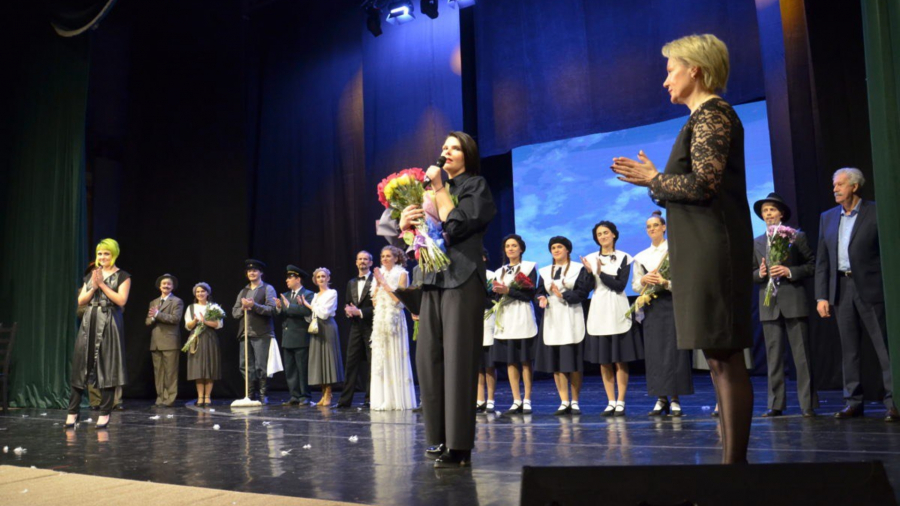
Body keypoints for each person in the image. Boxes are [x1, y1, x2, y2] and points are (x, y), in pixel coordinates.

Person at [611, 34, 755, 463]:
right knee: (717, 356)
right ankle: (731, 463)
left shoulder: (714, 114)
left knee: (724, 354)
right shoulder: (699, 118)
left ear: (695, 69)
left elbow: (704, 183)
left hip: (713, 248)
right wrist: (657, 180)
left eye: (670, 70)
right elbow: (689, 186)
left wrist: (654, 179)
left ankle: (736, 467)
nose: (665, 80)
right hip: (698, 248)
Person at [399, 131, 496, 468]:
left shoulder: (476, 186)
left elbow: (456, 226)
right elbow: (420, 239)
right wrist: (405, 226)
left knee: (458, 360)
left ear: (468, 154)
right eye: (444, 147)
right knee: (429, 359)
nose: (447, 152)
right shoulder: (430, 191)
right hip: (432, 280)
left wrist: (439, 187)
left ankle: (459, 445)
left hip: (462, 278)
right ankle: (438, 436)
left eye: (455, 147)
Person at [815, 168, 897, 422]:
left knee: (883, 347)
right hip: (841, 288)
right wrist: (821, 296)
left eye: (840, 184)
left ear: (854, 186)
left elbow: (886, 251)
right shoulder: (828, 217)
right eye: (834, 185)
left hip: (871, 288)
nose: (835, 189)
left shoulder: (875, 212)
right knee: (849, 349)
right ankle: (853, 402)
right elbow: (822, 261)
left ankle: (893, 402)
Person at [752, 193, 817, 417]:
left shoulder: (796, 237)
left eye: (772, 209)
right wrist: (760, 274)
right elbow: (751, 272)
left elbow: (812, 265)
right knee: (774, 357)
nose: (768, 213)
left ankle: (807, 404)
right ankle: (776, 404)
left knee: (802, 356)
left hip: (794, 301)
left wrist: (789, 271)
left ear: (781, 213)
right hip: (769, 305)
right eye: (765, 211)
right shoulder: (757, 242)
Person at [633, 211, 693, 416]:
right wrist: (643, 281)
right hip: (652, 307)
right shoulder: (641, 256)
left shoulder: (674, 250)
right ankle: (660, 398)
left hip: (672, 304)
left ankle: (675, 398)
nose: (652, 229)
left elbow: (684, 280)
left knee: (674, 351)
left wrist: (664, 282)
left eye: (656, 225)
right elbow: (635, 285)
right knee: (655, 352)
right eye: (649, 227)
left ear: (664, 227)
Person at [66, 239, 131, 430]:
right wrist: (94, 286)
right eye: (100, 253)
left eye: (106, 253)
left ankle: (105, 413)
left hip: (109, 320)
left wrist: (102, 284)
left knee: (107, 366)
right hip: (90, 320)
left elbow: (121, 300)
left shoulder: (123, 276)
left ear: (114, 254)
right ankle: (73, 411)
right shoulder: (92, 275)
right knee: (81, 365)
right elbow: (81, 300)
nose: (103, 257)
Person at [582, 221, 642, 416]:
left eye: (606, 233)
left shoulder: (625, 257)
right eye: (599, 234)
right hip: (598, 309)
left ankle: (621, 401)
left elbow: (619, 285)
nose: (603, 236)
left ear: (614, 234)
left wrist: (600, 272)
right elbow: (587, 288)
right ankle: (610, 401)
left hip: (617, 308)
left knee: (620, 359)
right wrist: (589, 273)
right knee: (604, 360)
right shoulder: (590, 258)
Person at [534, 236, 592, 416]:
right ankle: (563, 401)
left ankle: (575, 402)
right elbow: (539, 292)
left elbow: (582, 293)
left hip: (571, 316)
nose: (556, 250)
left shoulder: (578, 269)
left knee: (573, 362)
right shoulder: (545, 271)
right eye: (553, 248)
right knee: (556, 362)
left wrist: (563, 295)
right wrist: (541, 298)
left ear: (567, 249)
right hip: (552, 318)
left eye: (559, 247)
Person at [491, 234, 538, 415]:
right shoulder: (499, 271)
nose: (510, 249)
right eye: (507, 246)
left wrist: (508, 290)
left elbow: (529, 295)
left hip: (522, 315)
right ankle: (516, 399)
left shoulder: (529, 267)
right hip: (506, 318)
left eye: (514, 245)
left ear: (521, 249)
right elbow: (496, 296)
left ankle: (527, 399)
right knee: (511, 361)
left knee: (525, 360)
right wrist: (496, 292)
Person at [370, 246, 417, 410]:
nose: (384, 259)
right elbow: (374, 302)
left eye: (388, 256)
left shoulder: (402, 274)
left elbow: (399, 300)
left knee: (395, 355)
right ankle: (383, 398)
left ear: (396, 258)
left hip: (395, 319)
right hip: (380, 320)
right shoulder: (379, 275)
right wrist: (377, 284)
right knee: (381, 357)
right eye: (382, 256)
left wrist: (383, 283)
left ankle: (397, 400)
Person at [232, 259, 277, 403]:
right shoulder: (243, 291)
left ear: (260, 273)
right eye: (249, 271)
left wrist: (254, 306)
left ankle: (263, 395)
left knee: (261, 365)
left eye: (255, 271)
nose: (252, 273)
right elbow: (234, 312)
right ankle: (250, 394)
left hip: (261, 333)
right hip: (245, 333)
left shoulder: (267, 289)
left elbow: (272, 309)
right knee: (245, 366)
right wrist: (243, 308)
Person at [335, 251, 375, 408]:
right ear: (356, 262)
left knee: (372, 363)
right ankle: (345, 401)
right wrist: (348, 311)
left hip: (372, 326)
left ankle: (370, 399)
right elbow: (348, 303)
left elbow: (379, 306)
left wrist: (360, 312)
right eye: (360, 259)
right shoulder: (351, 282)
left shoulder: (375, 281)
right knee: (351, 363)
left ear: (371, 263)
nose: (362, 261)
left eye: (365, 259)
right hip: (356, 327)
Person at [304, 267, 345, 406]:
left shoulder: (332, 293)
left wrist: (309, 306)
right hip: (316, 328)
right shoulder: (316, 295)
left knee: (328, 359)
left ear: (328, 278)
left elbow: (324, 313)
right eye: (318, 277)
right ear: (315, 280)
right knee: (319, 361)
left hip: (327, 327)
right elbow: (315, 314)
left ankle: (328, 393)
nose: (321, 279)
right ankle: (323, 394)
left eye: (323, 276)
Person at [275, 265, 315, 406]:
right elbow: (281, 314)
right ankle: (294, 395)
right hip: (287, 337)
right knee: (290, 369)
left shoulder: (308, 294)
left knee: (302, 369)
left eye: (290, 278)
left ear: (298, 279)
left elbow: (306, 311)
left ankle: (305, 396)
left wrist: (289, 307)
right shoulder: (285, 295)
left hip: (300, 337)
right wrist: (279, 308)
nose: (287, 280)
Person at [145, 273, 184, 407]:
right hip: (156, 342)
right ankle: (160, 398)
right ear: (159, 286)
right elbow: (148, 321)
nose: (166, 286)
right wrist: (153, 317)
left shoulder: (177, 301)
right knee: (159, 372)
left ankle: (169, 399)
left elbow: (175, 319)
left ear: (172, 287)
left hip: (170, 341)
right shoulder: (154, 302)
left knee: (170, 372)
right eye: (164, 284)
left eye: (169, 284)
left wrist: (158, 314)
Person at [184, 282, 222, 406]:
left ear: (207, 293)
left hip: (209, 338)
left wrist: (205, 321)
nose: (200, 293)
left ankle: (207, 396)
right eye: (198, 291)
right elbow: (188, 326)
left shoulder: (214, 307)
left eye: (202, 291)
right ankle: (200, 396)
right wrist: (195, 320)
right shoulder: (191, 308)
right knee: (198, 368)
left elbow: (218, 324)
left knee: (209, 367)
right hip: (196, 338)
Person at [477, 248, 498, 414]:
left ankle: (490, 399)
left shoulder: (491, 275)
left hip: (488, 320)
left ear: (484, 258)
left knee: (489, 364)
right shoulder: (467, 276)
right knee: (477, 365)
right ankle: (479, 399)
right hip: (472, 322)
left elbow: (494, 299)